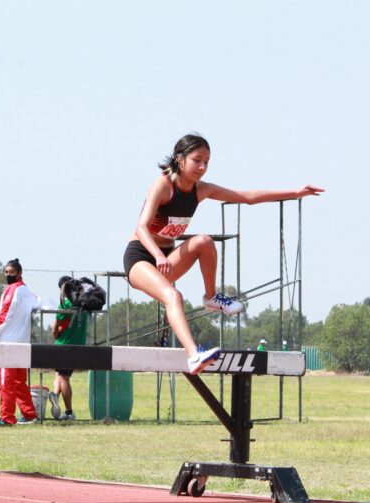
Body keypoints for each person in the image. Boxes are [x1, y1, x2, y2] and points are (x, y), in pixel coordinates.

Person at [123, 134, 323, 374]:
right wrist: (158, 255)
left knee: (204, 242)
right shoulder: (163, 186)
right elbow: (141, 228)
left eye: (207, 162)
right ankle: (194, 356)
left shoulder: (201, 190)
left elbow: (247, 197)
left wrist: (295, 192)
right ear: (180, 158)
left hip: (167, 258)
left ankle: (211, 298)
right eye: (197, 160)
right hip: (141, 258)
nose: (202, 167)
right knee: (173, 297)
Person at [0, 259, 40, 426]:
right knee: (19, 382)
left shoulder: (12, 289)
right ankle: (30, 414)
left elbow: (5, 314)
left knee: (6, 382)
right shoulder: (27, 291)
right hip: (22, 343)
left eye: (11, 272)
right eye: (6, 272)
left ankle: (7, 417)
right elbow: (40, 304)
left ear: (19, 273)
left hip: (7, 343)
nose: (8, 275)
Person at [48, 276, 88, 421]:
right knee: (60, 375)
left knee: (63, 377)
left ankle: (69, 412)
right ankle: (54, 396)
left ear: (62, 289)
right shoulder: (83, 303)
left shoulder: (64, 304)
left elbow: (55, 327)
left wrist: (55, 336)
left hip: (63, 344)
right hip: (78, 344)